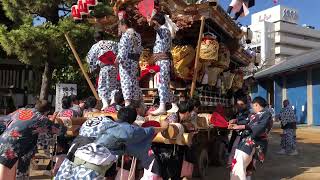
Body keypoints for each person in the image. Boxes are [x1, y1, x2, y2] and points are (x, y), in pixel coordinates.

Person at [55, 107, 167, 180]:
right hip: (90, 162)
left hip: (74, 154)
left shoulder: (95, 120)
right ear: (131, 121)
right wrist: (162, 127)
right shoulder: (123, 129)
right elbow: (144, 132)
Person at [0, 100, 66, 180]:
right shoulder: (41, 118)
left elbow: (6, 119)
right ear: (47, 111)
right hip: (12, 149)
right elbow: (59, 130)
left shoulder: (22, 110)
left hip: (3, 141)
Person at [229, 96, 273, 180]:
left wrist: (240, 126)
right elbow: (247, 121)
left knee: (240, 165)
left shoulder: (266, 114)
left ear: (256, 105)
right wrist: (236, 121)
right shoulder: (256, 115)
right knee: (240, 164)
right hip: (248, 141)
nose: (252, 108)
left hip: (255, 142)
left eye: (253, 106)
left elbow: (259, 127)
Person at [150, 13, 178, 115]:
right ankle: (174, 104)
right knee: (164, 84)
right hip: (161, 61)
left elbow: (156, 28)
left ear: (156, 21)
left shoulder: (163, 30)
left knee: (161, 83)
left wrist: (151, 18)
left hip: (162, 61)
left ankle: (162, 106)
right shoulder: (163, 30)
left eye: (154, 21)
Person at [87, 32, 120, 110]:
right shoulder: (113, 43)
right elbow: (121, 50)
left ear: (95, 39)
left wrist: (93, 68)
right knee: (114, 85)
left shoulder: (95, 46)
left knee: (102, 86)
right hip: (114, 67)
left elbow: (90, 59)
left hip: (104, 67)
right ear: (104, 37)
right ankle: (113, 100)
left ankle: (105, 104)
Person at [116, 18, 143, 107]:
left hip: (126, 62)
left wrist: (118, 60)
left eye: (120, 26)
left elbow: (123, 51)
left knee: (126, 81)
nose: (120, 28)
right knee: (134, 81)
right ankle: (135, 101)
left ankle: (127, 103)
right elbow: (139, 50)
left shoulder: (125, 36)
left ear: (124, 25)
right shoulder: (137, 35)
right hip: (134, 61)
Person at [228, 97, 250, 166]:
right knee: (234, 147)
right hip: (237, 133)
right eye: (238, 104)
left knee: (241, 150)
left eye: (241, 104)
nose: (239, 106)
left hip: (244, 135)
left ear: (246, 104)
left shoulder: (248, 113)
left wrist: (236, 121)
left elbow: (246, 121)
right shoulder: (238, 111)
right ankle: (231, 162)